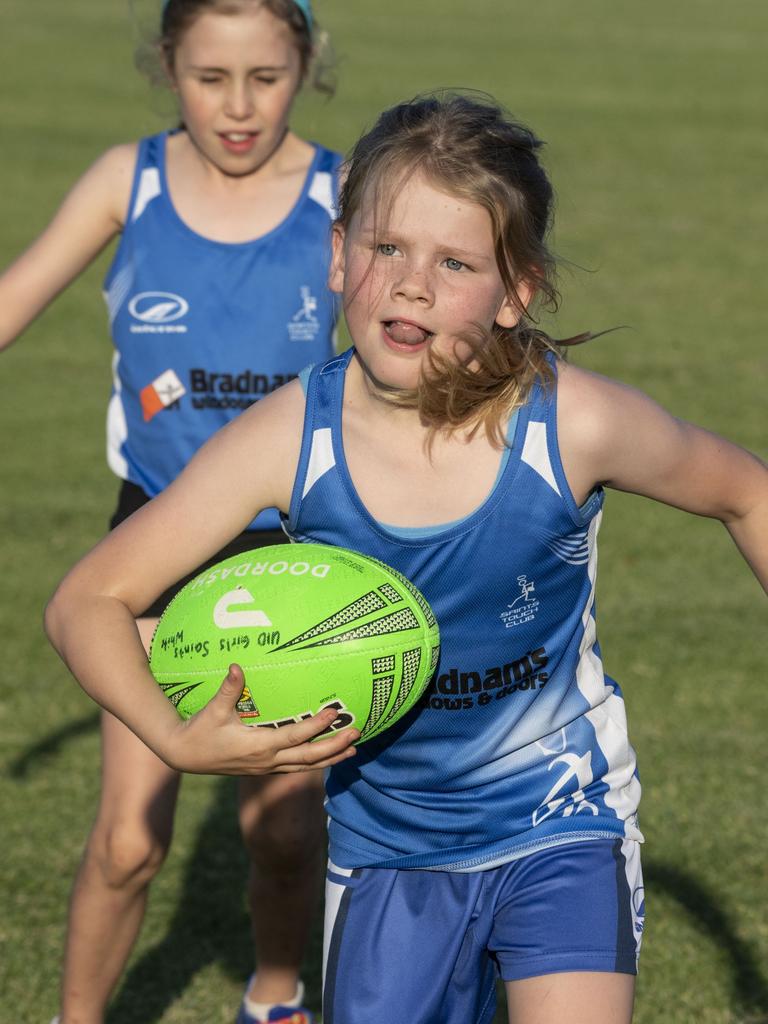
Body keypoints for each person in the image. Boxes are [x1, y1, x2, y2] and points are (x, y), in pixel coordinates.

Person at [44, 92, 768, 1024]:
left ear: (516, 293)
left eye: (455, 262)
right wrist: (175, 735)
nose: (411, 285)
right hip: (387, 850)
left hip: (560, 816)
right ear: (339, 253)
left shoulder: (571, 425)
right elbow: (86, 601)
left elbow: (745, 490)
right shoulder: (287, 438)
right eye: (387, 248)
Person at [0, 2, 342, 1022]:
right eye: (209, 77)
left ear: (307, 65)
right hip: (152, 547)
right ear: (166, 67)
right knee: (127, 841)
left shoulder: (344, 193)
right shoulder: (127, 180)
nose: (238, 107)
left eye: (266, 76)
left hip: (295, 552)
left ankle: (276, 994)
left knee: (282, 834)